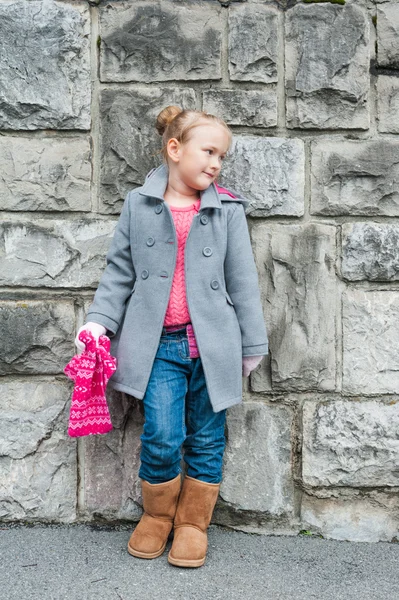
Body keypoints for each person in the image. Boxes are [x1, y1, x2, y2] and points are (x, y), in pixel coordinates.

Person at [74, 106, 269, 568]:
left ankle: (192, 524)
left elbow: (243, 280)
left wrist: (251, 344)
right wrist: (98, 320)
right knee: (162, 433)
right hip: (158, 346)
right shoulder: (138, 205)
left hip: (213, 347)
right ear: (175, 149)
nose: (216, 163)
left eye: (221, 155)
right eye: (208, 151)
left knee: (206, 436)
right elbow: (119, 272)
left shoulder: (227, 210)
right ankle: (159, 516)